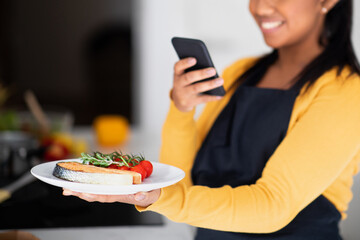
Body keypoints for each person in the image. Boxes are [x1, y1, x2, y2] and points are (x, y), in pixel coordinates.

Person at [64, 0, 360, 239]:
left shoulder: (346, 91)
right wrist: (181, 110)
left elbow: (272, 206)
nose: (260, 7)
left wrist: (151, 197)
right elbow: (181, 179)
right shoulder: (239, 73)